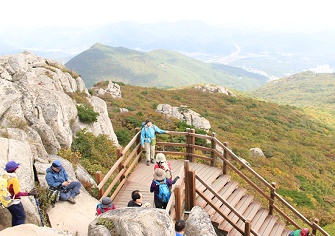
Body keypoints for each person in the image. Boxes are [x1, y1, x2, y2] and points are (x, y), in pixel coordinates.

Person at [4, 160, 37, 226]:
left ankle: (14, 231)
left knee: (15, 216)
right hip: (14, 202)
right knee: (21, 217)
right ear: (15, 169)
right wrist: (28, 194)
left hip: (7, 201)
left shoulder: (4, 177)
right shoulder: (14, 179)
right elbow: (17, 193)